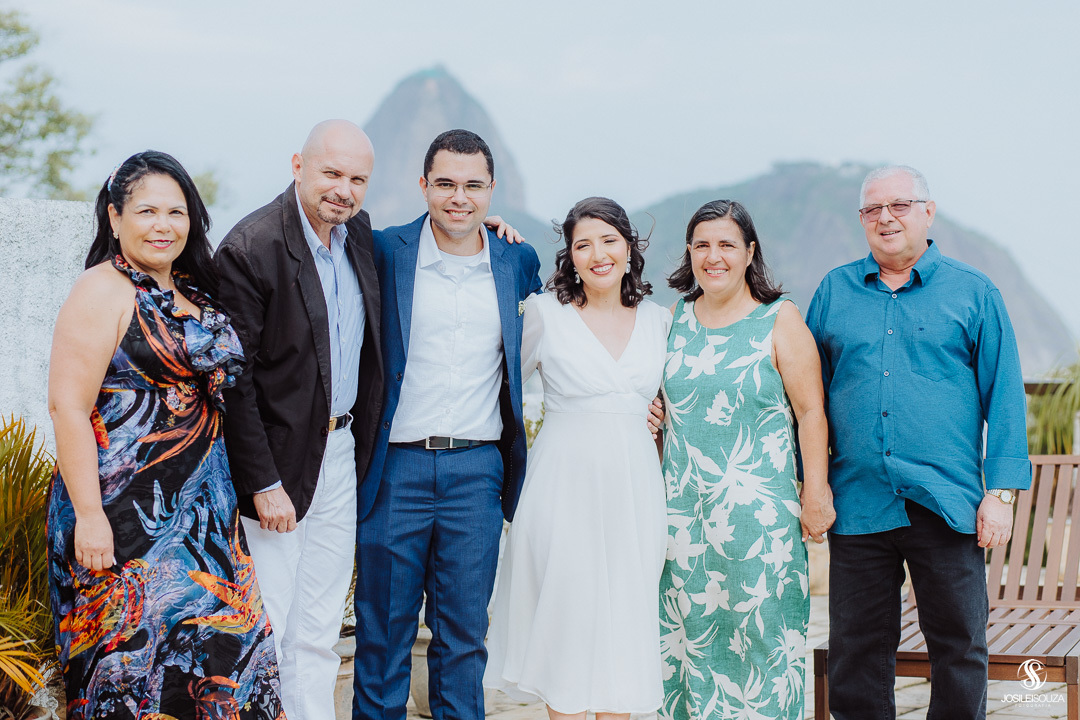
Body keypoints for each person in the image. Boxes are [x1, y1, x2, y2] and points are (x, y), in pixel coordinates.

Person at [46, 151, 284, 718]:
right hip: (123, 520)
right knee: (131, 675)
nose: (163, 225)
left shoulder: (193, 291)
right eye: (147, 211)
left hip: (204, 526)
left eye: (176, 213)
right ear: (114, 217)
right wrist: (90, 517)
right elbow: (68, 407)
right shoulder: (100, 290)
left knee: (225, 666)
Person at [805, 165, 1030, 720]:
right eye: (872, 209)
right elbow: (802, 392)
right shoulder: (834, 291)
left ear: (928, 212)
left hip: (947, 502)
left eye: (899, 205)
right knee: (856, 653)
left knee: (959, 648)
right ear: (861, 220)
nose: (885, 218)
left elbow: (1004, 395)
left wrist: (999, 494)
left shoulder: (974, 292)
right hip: (858, 502)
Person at [352, 129, 543, 720]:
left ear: (491, 190)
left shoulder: (518, 260)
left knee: (464, 640)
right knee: (382, 635)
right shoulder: (385, 251)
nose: (459, 197)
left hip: (477, 471)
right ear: (423, 186)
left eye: (472, 186)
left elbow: (565, 334)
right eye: (445, 184)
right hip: (395, 468)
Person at [214, 119, 384, 720]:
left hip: (341, 456)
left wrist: (492, 235)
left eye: (357, 178)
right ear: (298, 165)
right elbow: (232, 382)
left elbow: (423, 249)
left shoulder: (357, 234)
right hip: (278, 465)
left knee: (318, 628)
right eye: (331, 173)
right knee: (270, 623)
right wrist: (262, 483)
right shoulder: (251, 248)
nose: (343, 189)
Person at [485, 197, 672, 719]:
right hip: (561, 488)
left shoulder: (661, 321)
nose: (597, 254)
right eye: (582, 245)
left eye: (609, 240)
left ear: (630, 249)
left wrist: (653, 416)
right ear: (569, 257)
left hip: (635, 490)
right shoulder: (545, 313)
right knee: (569, 628)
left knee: (623, 632)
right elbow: (498, 388)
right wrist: (496, 242)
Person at [658, 200, 832, 720]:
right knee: (687, 654)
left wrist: (816, 492)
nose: (714, 256)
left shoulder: (779, 320)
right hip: (682, 523)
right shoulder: (673, 321)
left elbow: (811, 414)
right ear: (689, 253)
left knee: (762, 654)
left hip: (761, 528)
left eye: (727, 244)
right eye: (702, 245)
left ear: (749, 252)